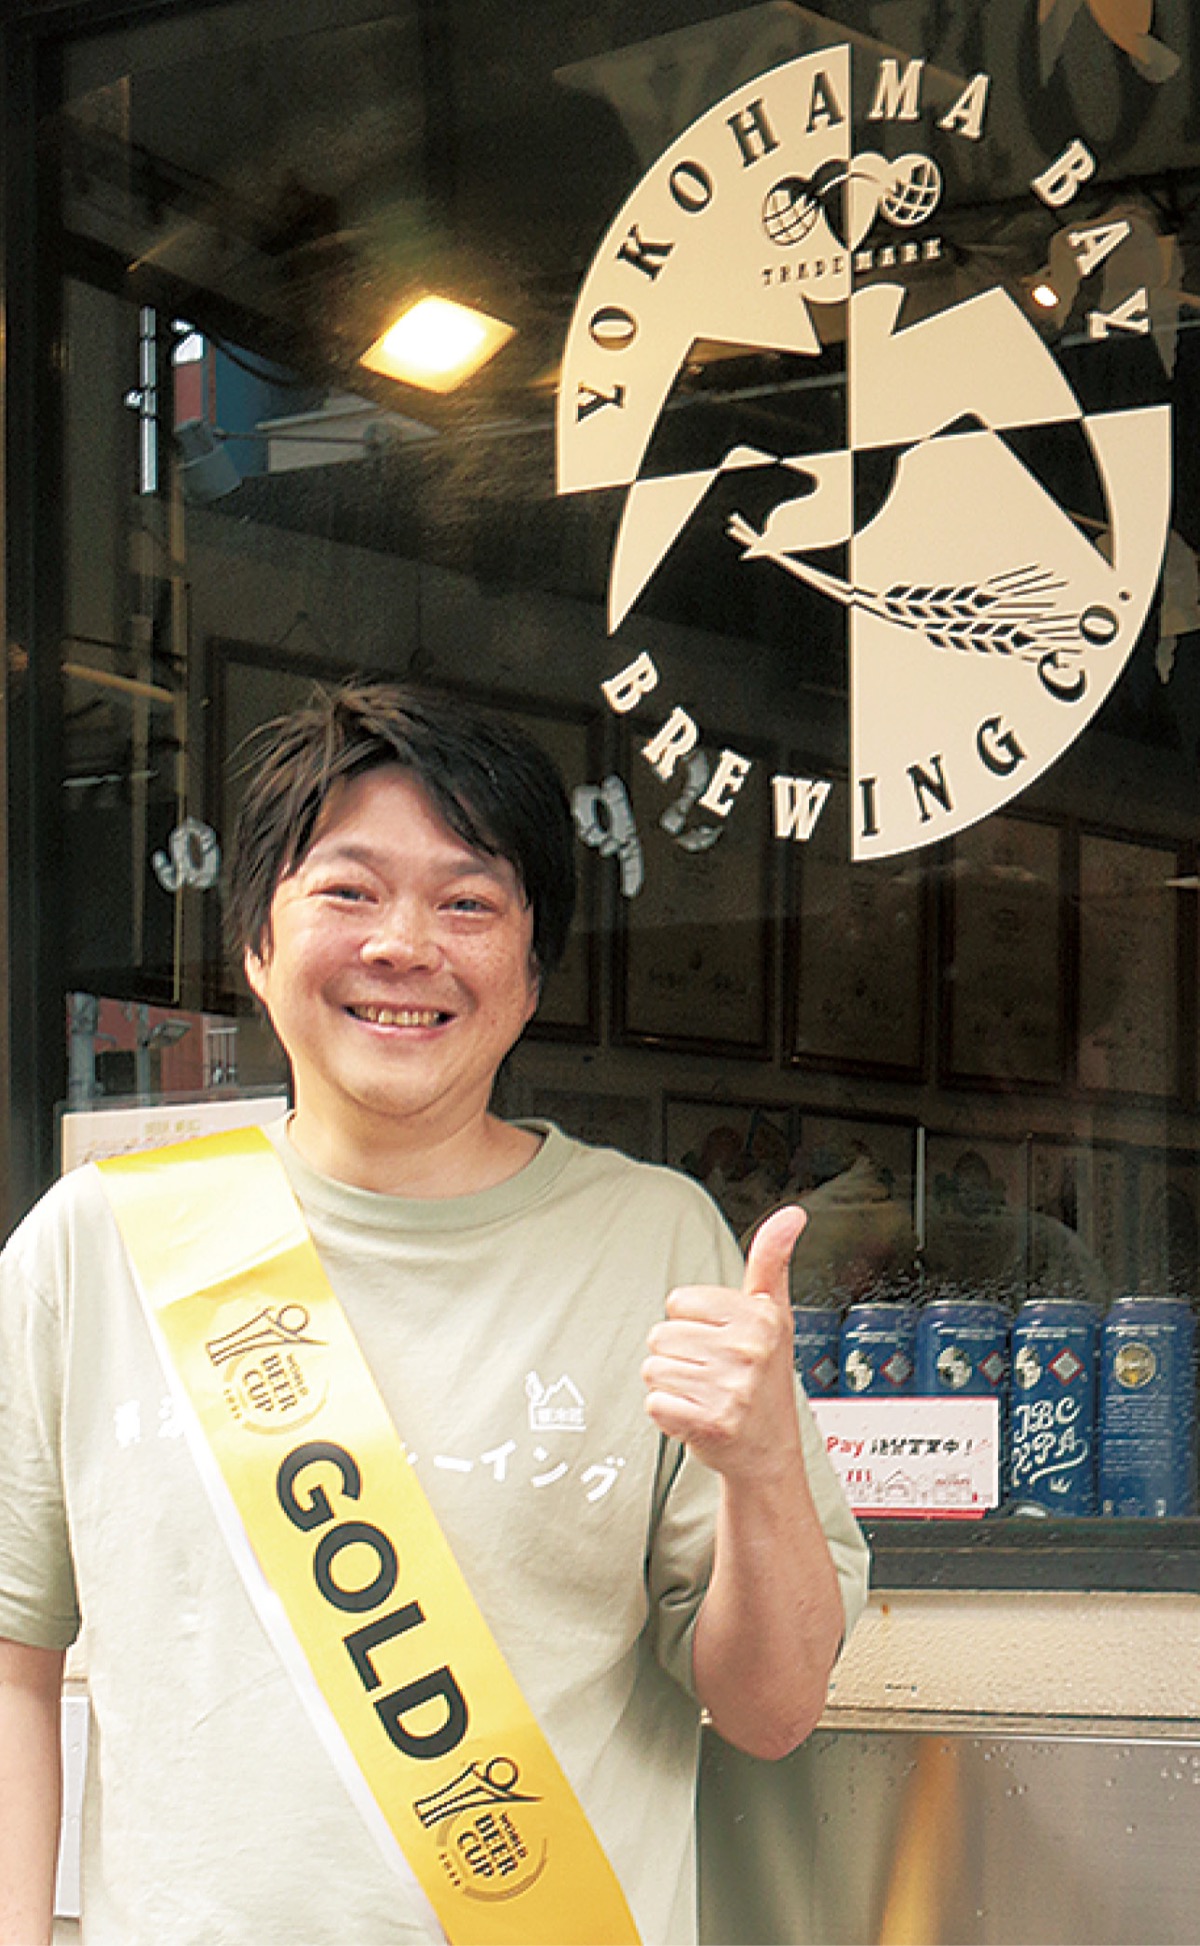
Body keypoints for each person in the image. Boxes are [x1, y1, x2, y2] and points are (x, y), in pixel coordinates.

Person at [0, 681, 868, 1946]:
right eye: (348, 890)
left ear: (532, 971)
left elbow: (773, 1710)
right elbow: (11, 1663)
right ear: (256, 944)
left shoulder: (656, 1242)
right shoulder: (100, 1245)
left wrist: (765, 1464)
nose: (405, 945)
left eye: (468, 902)